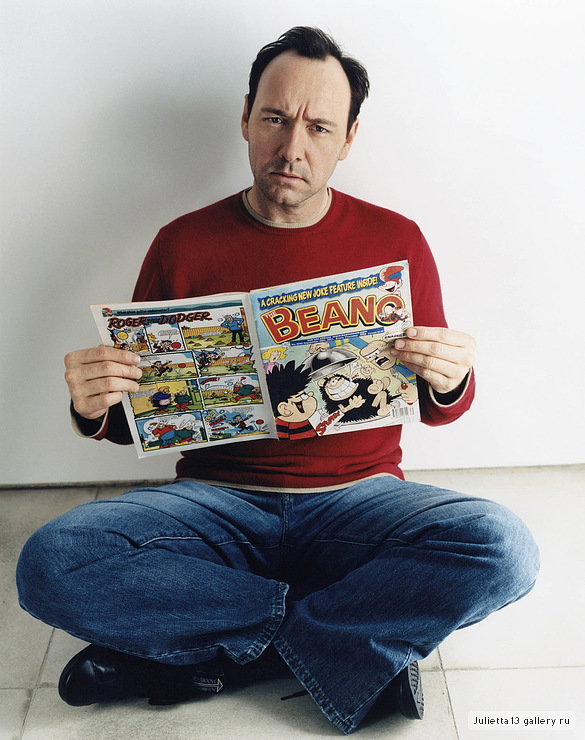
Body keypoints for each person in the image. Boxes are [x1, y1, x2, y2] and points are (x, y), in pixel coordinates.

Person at [16, 27, 539, 735]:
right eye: (275, 118)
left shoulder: (397, 240)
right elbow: (138, 413)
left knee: (503, 548)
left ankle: (214, 651)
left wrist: (451, 377)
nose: (292, 147)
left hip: (358, 502)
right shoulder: (182, 242)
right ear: (245, 118)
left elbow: (439, 406)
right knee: (52, 561)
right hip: (215, 504)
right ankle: (338, 640)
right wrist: (93, 405)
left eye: (318, 127)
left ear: (348, 138)